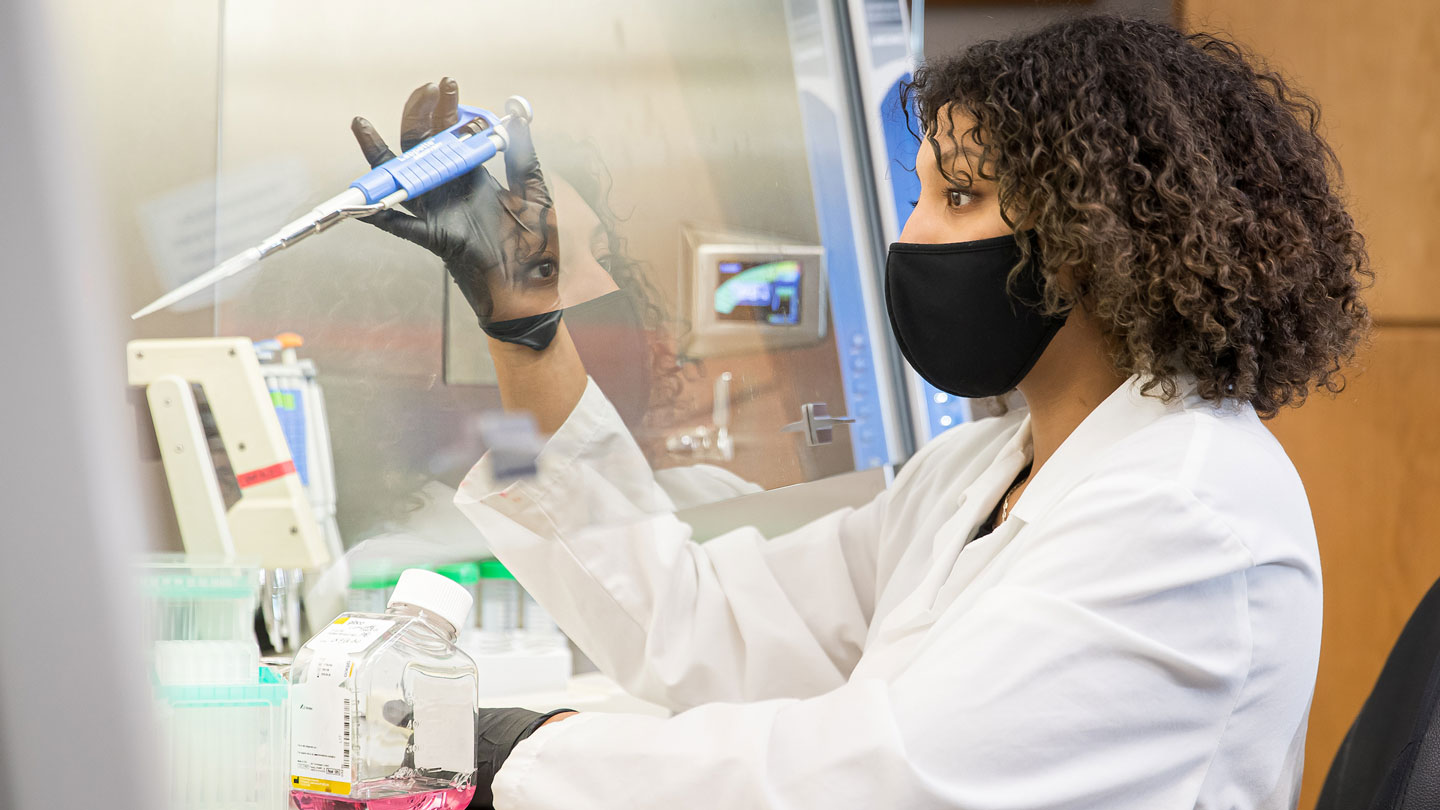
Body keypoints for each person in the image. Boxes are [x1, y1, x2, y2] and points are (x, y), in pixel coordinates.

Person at [352, 15, 1370, 809]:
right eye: (918, 192)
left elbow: (886, 780)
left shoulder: (1188, 513)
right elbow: (707, 627)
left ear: (1096, 237)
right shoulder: (982, 474)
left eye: (960, 199)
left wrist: (531, 756)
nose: (915, 235)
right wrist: (524, 325)